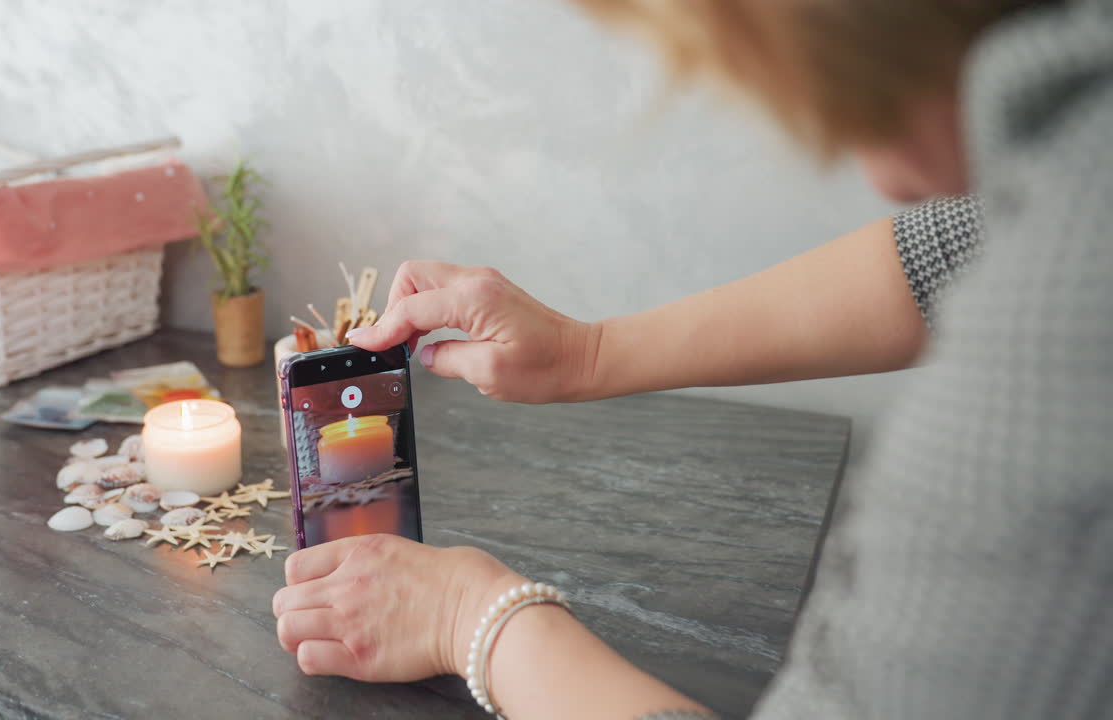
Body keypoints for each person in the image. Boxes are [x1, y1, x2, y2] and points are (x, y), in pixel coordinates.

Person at [271, 0, 1113, 717]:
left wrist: (470, 618)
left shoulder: (1071, 297)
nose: (881, 178)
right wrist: (583, 354)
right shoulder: (1077, 172)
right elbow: (952, 250)